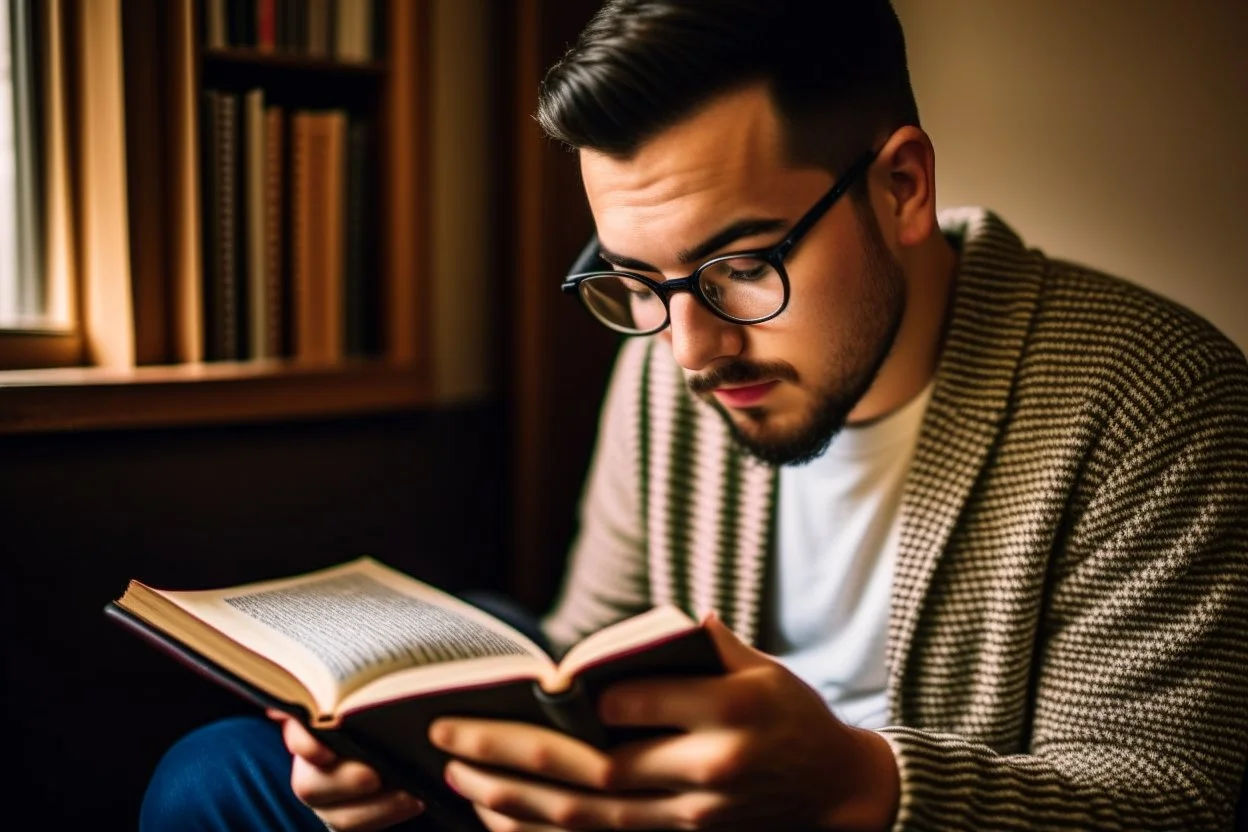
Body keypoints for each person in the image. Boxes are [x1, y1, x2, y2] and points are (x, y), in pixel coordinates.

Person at [140, 1, 1248, 830]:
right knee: (219, 775)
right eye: (636, 281)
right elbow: (593, 638)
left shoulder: (1154, 397)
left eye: (741, 265)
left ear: (902, 186)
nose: (690, 347)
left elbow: (1166, 796)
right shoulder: (678, 341)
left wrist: (862, 787)